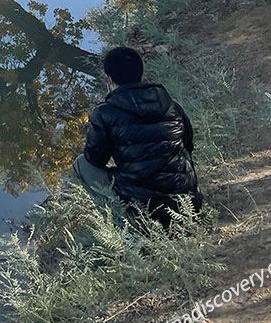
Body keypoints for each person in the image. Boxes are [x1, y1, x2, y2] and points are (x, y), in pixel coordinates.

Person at [72, 46, 201, 225]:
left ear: (108, 79)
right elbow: (189, 146)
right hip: (188, 202)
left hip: (145, 207)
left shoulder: (104, 113)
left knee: (81, 164)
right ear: (140, 73)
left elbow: (95, 160)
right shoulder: (171, 105)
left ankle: (122, 224)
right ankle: (185, 206)